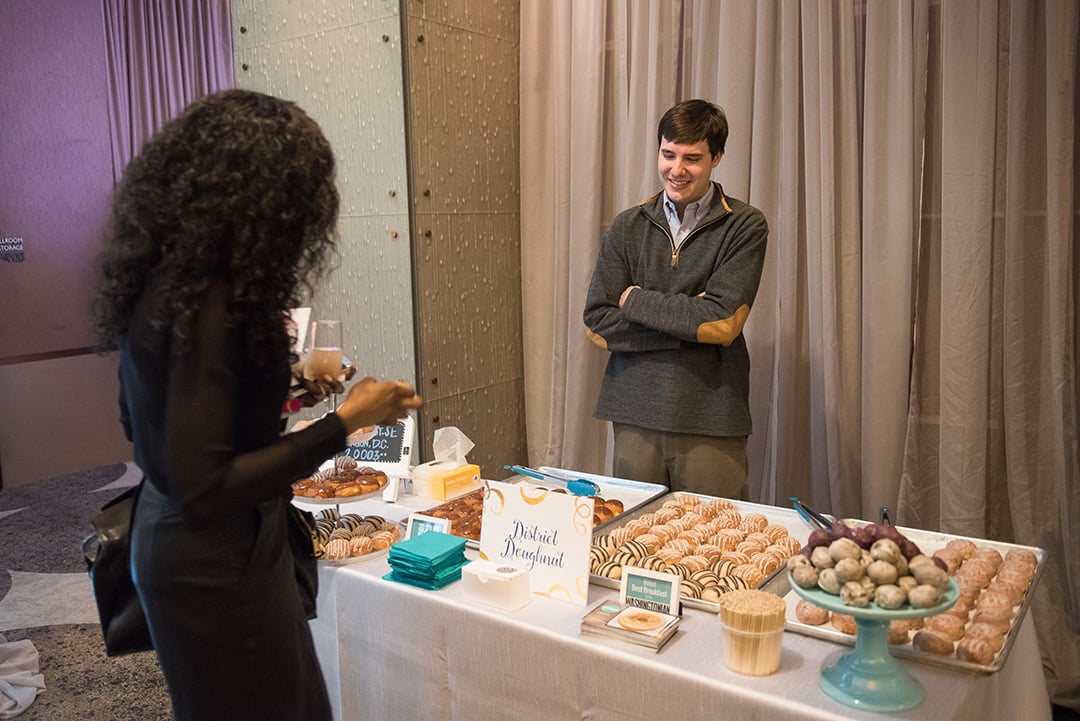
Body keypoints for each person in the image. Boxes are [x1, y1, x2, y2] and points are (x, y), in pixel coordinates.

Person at [93, 89, 422, 721]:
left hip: (184, 539)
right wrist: (347, 419)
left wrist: (284, 389)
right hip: (213, 557)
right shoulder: (209, 305)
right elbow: (207, 486)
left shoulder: (168, 282)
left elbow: (146, 421)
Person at [583, 99, 768, 500]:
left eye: (692, 158)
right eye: (669, 154)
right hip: (633, 413)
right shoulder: (627, 225)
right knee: (635, 540)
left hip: (711, 418)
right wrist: (690, 324)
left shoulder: (745, 224)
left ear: (717, 157)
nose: (677, 169)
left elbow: (722, 323)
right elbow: (596, 323)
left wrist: (633, 300)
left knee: (715, 546)